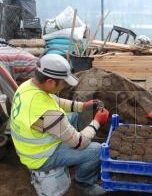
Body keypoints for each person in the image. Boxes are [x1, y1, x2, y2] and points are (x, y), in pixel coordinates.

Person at [10, 54, 109, 196]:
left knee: (74, 115)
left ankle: (74, 156)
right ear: (50, 82)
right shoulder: (47, 111)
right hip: (41, 157)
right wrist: (97, 122)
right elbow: (79, 143)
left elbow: (55, 100)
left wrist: (82, 106)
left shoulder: (28, 86)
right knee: (97, 150)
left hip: (31, 145)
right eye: (63, 82)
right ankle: (83, 183)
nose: (65, 85)